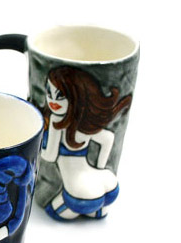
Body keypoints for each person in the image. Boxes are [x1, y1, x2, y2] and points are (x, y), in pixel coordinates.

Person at [41, 66, 132, 220]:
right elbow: (108, 138)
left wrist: (36, 146)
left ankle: (87, 208)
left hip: (79, 193)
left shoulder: (56, 120)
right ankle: (96, 211)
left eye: (61, 95)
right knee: (94, 211)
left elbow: (50, 156)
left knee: (51, 211)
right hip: (106, 182)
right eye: (49, 93)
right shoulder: (85, 124)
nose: (52, 101)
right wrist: (100, 168)